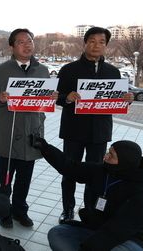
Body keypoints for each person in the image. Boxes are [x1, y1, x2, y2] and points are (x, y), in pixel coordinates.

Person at [56, 27, 134, 223]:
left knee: (97, 174)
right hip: (73, 131)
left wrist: (127, 99)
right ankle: (67, 209)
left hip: (99, 132)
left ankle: (90, 210)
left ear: (106, 46)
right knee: (69, 172)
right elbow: (56, 97)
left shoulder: (113, 72)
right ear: (85, 43)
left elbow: (116, 99)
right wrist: (67, 97)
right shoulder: (68, 69)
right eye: (92, 41)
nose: (96, 45)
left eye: (101, 42)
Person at [32, 137, 143, 251]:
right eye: (108, 152)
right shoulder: (102, 171)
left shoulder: (142, 191)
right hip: (98, 230)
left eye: (111, 155)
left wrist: (90, 247)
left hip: (132, 239)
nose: (105, 156)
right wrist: (45, 148)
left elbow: (120, 229)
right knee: (57, 234)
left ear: (124, 162)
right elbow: (70, 167)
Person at [0, 28, 55, 228]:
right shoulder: (0, 71)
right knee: (5, 178)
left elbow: (44, 100)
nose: (27, 45)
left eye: (30, 41)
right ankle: (4, 212)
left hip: (32, 131)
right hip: (9, 132)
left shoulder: (42, 70)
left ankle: (19, 210)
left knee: (25, 177)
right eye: (21, 42)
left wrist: (52, 97)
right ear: (12, 46)